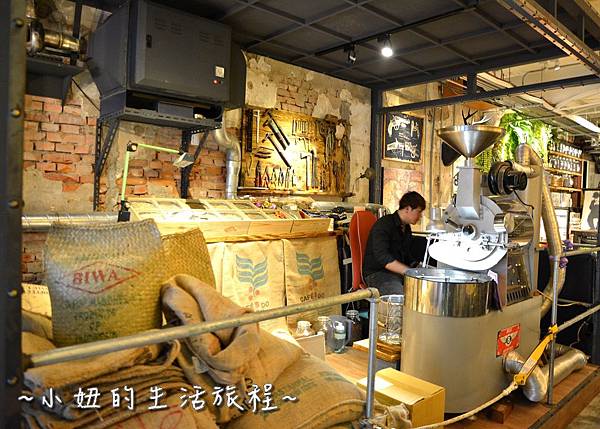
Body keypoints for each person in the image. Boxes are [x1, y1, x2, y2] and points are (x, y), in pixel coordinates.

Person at [362, 191, 426, 296]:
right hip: (378, 274)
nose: (420, 216)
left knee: (425, 291)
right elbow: (383, 258)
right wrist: (409, 272)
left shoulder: (406, 228)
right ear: (407, 208)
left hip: (396, 273)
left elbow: (406, 256)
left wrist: (421, 268)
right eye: (419, 212)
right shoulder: (383, 225)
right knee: (400, 297)